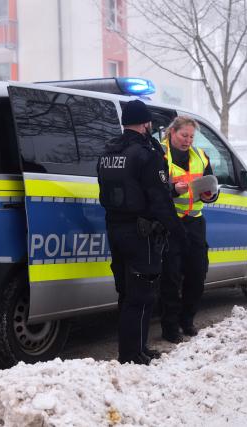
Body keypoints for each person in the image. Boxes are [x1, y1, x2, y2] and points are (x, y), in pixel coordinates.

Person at [98, 100, 185, 365]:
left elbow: (127, 188)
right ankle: (132, 355)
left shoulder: (110, 151)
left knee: (127, 294)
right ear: (145, 123)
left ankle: (137, 348)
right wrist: (177, 231)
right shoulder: (146, 153)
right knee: (143, 295)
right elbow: (158, 198)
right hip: (141, 234)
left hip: (115, 228)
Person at [159, 116, 217, 343]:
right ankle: (170, 327)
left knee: (197, 272)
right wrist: (173, 190)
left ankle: (187, 320)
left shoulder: (200, 156)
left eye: (191, 136)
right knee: (171, 276)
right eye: (184, 135)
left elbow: (212, 185)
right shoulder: (159, 154)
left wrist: (209, 194)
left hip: (195, 221)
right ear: (172, 132)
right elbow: (153, 189)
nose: (188, 141)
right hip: (171, 221)